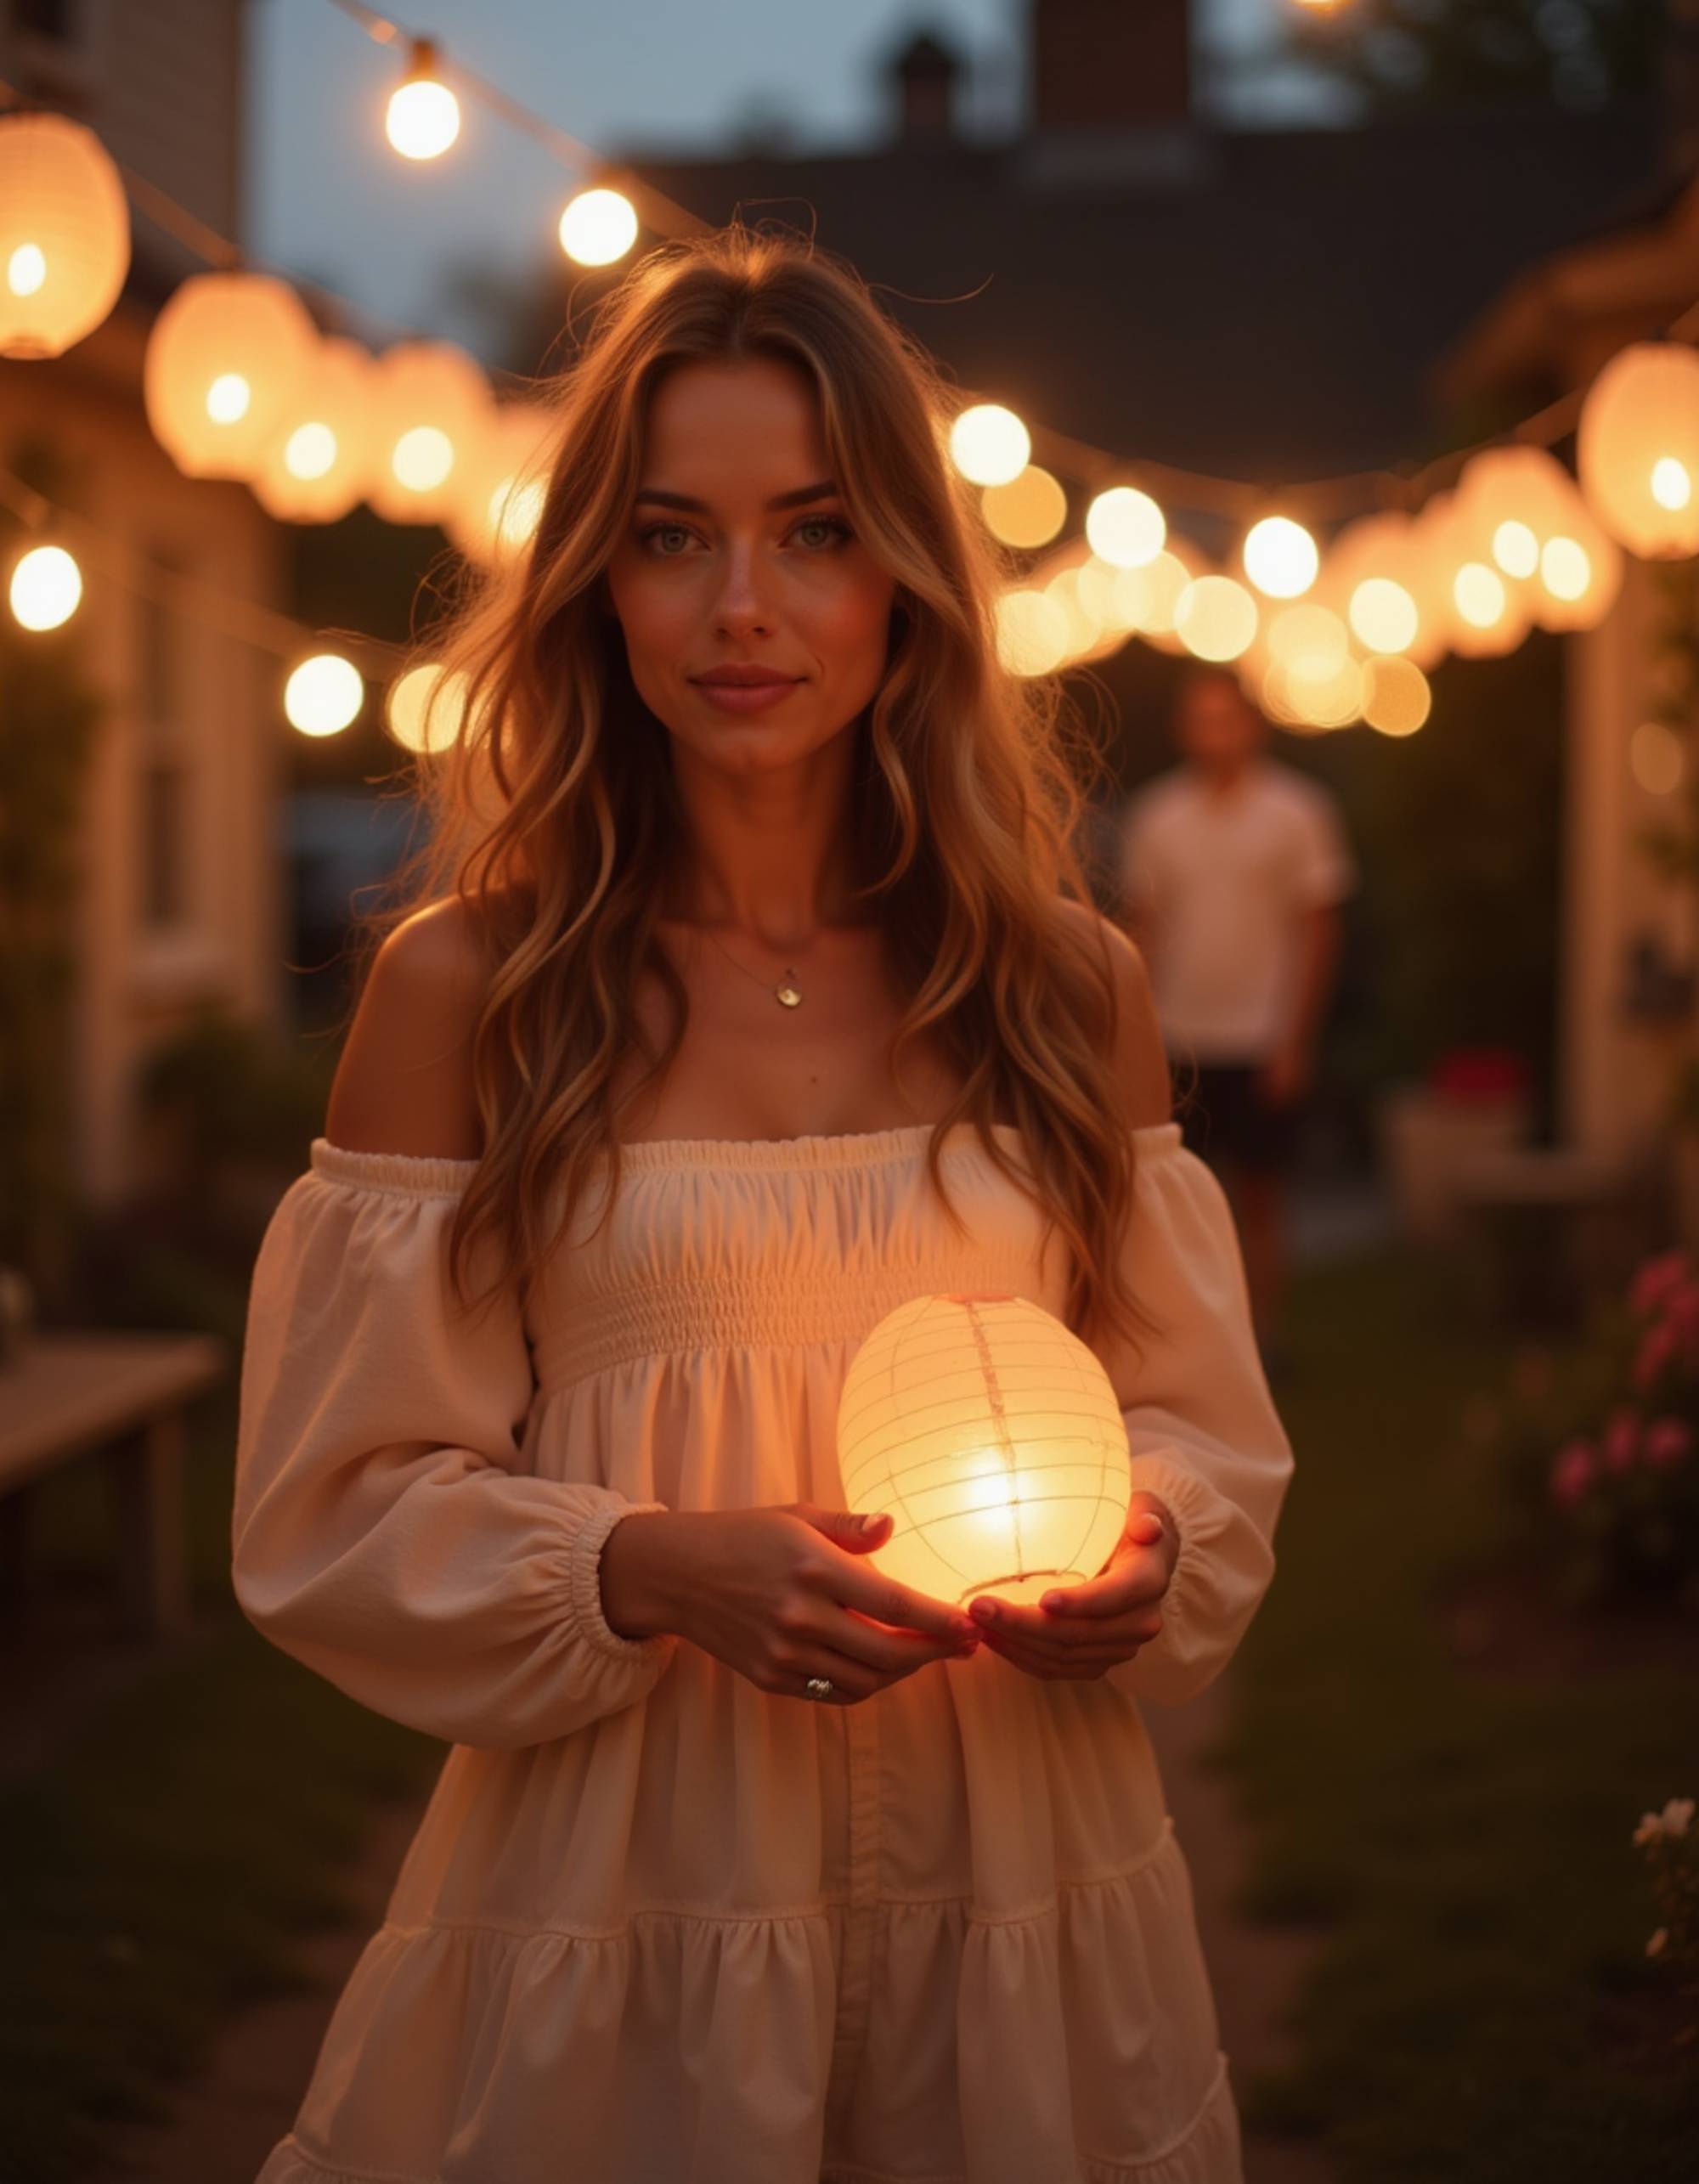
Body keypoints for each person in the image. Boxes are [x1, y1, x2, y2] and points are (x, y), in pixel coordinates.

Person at [232, 225, 1295, 2184]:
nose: (743, 608)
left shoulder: (1065, 987)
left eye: (811, 531)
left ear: (903, 573)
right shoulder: (473, 989)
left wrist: (1154, 1537)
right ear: (591, 585)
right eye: (670, 536)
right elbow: (333, 1508)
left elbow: (1200, 1425)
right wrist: (643, 1563)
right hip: (632, 1875)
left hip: (1022, 1875)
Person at [1117, 664, 1358, 1379]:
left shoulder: (1297, 811)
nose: (1215, 733)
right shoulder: (1157, 816)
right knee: (1176, 1203)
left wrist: (1295, 1040)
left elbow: (1317, 929)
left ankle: (1263, 1342)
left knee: (1261, 1193)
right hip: (1179, 1039)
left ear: (1252, 724)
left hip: (1260, 1038)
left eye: (1228, 718)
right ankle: (1188, 1347)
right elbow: (1142, 933)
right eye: (1202, 718)